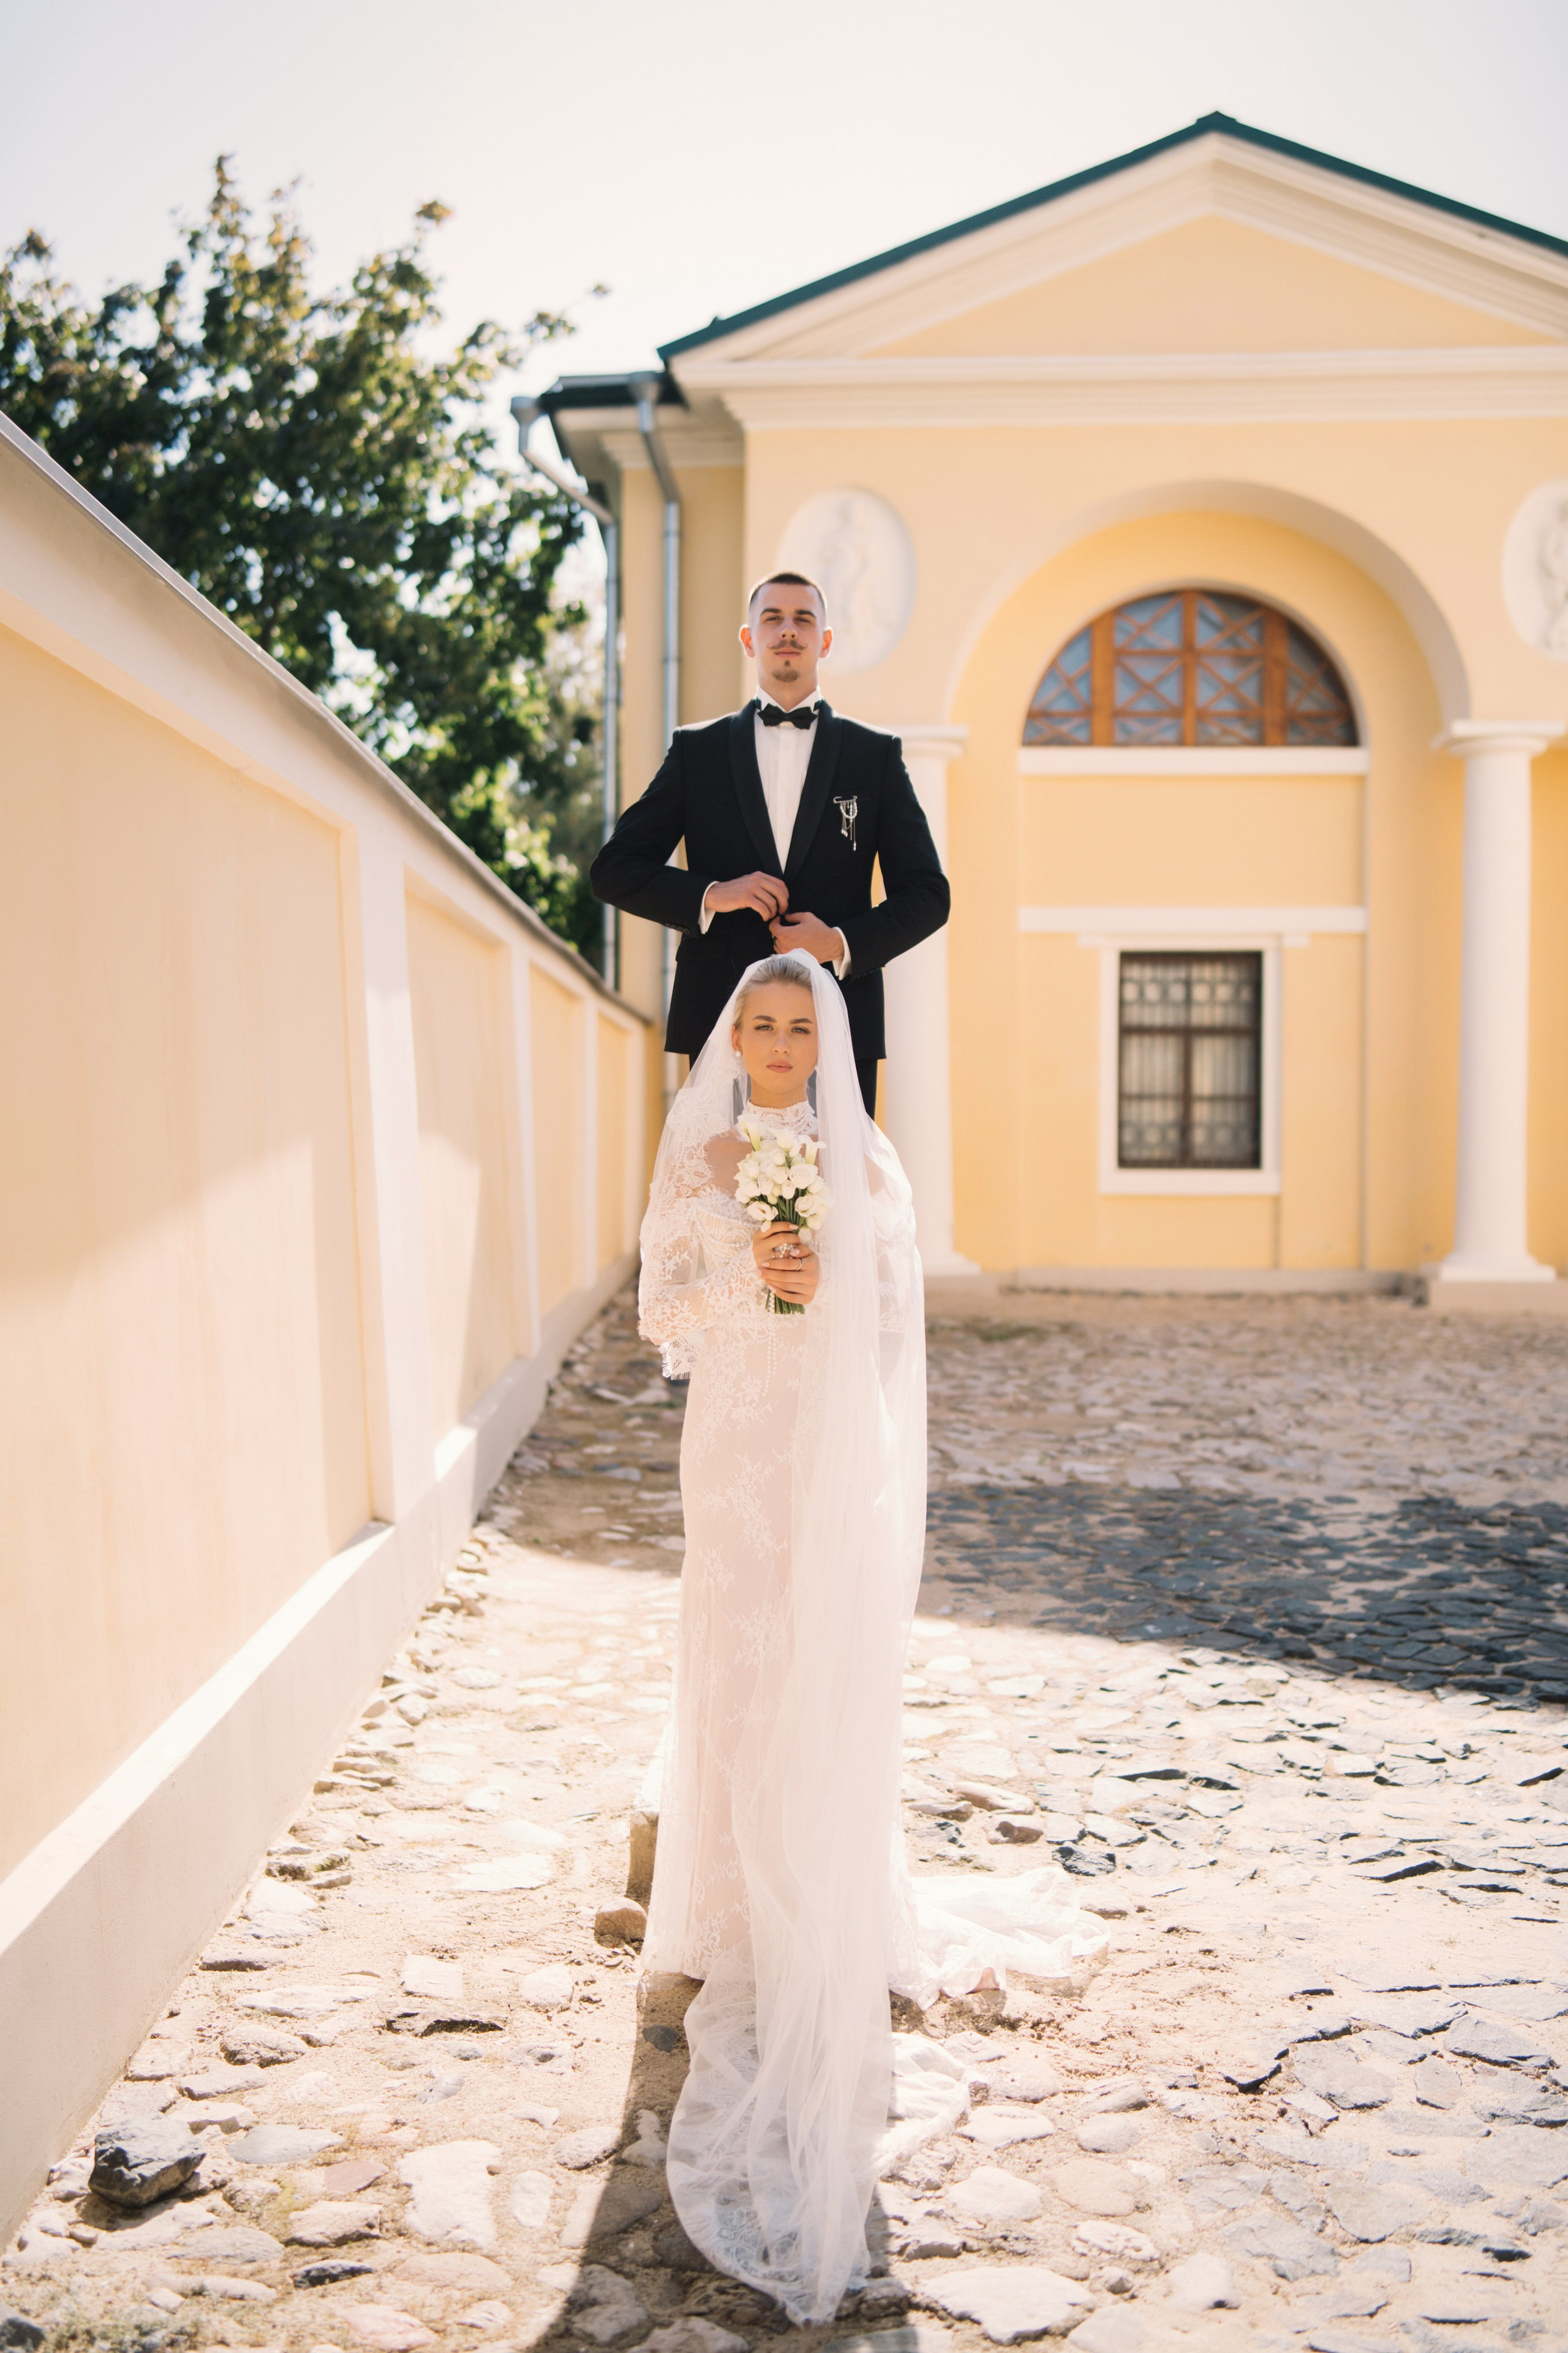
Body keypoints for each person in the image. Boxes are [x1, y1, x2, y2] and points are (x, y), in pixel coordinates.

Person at [637, 950, 1107, 2325]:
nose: (778, 1042)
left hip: (823, 1446)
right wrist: (751, 1283)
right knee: (734, 1654)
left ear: (825, 1044)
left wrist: (823, 1271)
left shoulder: (871, 1162)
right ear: (732, 1034)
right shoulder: (701, 1148)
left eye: (797, 1026)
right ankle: (732, 1899)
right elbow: (664, 1312)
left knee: (817, 1657)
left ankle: (824, 1878)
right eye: (758, 1023)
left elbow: (894, 1313)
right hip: (729, 1439)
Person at [589, 573, 950, 1116]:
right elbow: (614, 869)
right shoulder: (697, 752)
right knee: (724, 1196)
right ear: (748, 638)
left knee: (829, 1197)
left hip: (835, 1026)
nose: (788, 630)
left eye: (804, 619)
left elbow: (928, 894)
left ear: (826, 641)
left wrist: (839, 942)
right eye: (772, 618)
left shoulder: (873, 757)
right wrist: (714, 893)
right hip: (722, 1024)